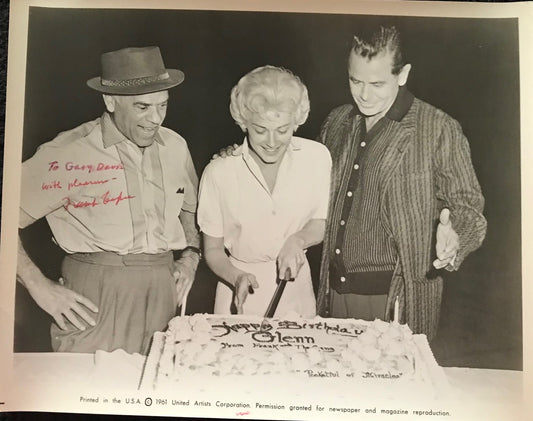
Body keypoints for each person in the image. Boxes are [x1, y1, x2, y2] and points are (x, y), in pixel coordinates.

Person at [17, 46, 201, 354]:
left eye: (163, 105)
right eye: (143, 108)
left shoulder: (176, 146)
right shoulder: (68, 152)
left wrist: (191, 258)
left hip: (163, 291)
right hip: (94, 297)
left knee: (156, 390)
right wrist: (38, 286)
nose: (155, 119)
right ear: (110, 101)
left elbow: (190, 211)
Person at [316, 26, 487, 339]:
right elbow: (303, 181)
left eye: (377, 83)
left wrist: (455, 239)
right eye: (355, 80)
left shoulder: (437, 128)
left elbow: (469, 207)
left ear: (403, 74)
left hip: (395, 300)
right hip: (331, 294)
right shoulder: (337, 122)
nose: (364, 95)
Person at [198, 66, 331, 317]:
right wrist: (236, 277)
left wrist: (297, 240)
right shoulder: (219, 172)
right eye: (260, 130)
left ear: (297, 121)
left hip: (297, 288)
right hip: (239, 289)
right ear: (244, 123)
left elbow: (321, 220)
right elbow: (213, 250)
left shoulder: (316, 158)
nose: (271, 142)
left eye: (282, 130)